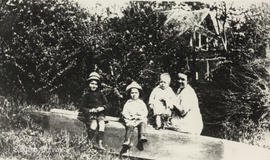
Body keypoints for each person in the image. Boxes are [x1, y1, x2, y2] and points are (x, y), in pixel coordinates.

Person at [78, 72, 108, 150]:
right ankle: (90, 142)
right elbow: (82, 107)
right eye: (92, 83)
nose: (94, 86)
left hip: (100, 113)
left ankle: (100, 143)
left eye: (95, 84)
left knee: (102, 124)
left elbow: (108, 105)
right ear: (89, 84)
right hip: (91, 114)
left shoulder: (101, 94)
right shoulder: (86, 95)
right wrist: (90, 110)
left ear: (98, 85)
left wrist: (102, 108)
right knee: (94, 124)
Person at [121, 81, 148, 149]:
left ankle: (142, 136)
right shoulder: (128, 102)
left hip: (139, 118)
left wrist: (140, 116)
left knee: (143, 122)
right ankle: (127, 140)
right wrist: (129, 117)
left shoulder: (141, 102)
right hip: (131, 119)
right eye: (132, 93)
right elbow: (124, 112)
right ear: (129, 94)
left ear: (139, 93)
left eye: (136, 93)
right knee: (130, 126)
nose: (134, 94)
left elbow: (145, 112)